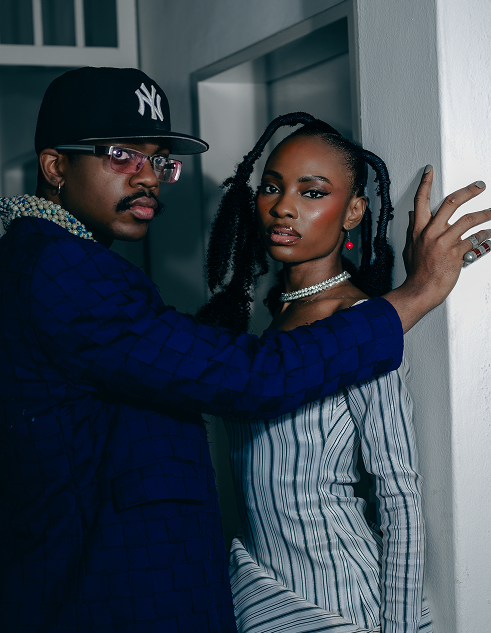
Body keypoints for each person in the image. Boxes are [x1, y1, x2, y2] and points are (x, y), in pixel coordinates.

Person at [0, 69, 487, 633]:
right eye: (121, 155)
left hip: (303, 602)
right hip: (97, 600)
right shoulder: (64, 270)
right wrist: (414, 294)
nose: (148, 177)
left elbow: (398, 493)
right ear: (55, 167)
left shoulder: (24, 265)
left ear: (354, 210)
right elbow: (251, 377)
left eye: (159, 160)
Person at [197, 112, 453, 633]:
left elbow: (399, 495)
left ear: (354, 211)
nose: (283, 207)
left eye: (312, 192)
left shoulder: (360, 326)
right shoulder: (269, 324)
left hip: (344, 607)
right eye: (272, 187)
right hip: (264, 597)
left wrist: (400, 629)